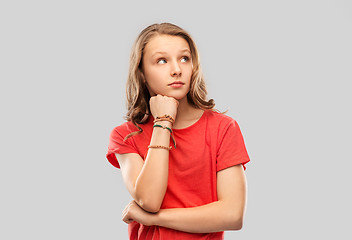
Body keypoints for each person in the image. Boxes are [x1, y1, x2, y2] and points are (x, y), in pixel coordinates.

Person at [106, 22, 251, 240]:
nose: (177, 69)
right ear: (142, 73)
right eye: (162, 61)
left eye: (184, 58)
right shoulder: (125, 135)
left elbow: (232, 215)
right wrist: (163, 121)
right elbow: (150, 199)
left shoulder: (223, 128)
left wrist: (154, 219)